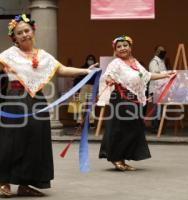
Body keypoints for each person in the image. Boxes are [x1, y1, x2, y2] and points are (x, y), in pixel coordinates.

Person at [0, 14, 98, 197]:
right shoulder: (9, 55)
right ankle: (3, 178)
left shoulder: (44, 56)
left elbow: (61, 70)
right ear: (14, 37)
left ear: (33, 31)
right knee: (9, 140)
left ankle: (26, 183)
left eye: (26, 31)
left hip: (37, 101)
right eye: (19, 33)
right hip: (14, 100)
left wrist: (86, 70)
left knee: (36, 141)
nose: (24, 35)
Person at [98, 36, 175, 171]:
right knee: (120, 129)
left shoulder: (135, 62)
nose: (122, 48)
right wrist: (110, 79)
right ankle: (116, 158)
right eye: (119, 46)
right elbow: (108, 75)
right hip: (121, 100)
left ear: (130, 47)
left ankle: (122, 158)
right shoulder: (115, 63)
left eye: (125, 45)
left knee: (133, 130)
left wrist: (166, 74)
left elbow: (147, 76)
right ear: (115, 50)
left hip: (133, 100)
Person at [70, 54, 97, 127]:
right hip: (83, 87)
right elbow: (78, 79)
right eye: (89, 59)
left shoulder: (96, 70)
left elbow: (98, 81)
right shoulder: (83, 68)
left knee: (92, 105)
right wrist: (76, 90)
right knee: (82, 104)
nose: (90, 61)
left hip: (92, 87)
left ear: (94, 61)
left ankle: (91, 122)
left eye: (92, 59)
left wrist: (97, 90)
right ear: (86, 60)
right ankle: (79, 122)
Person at [148, 45, 167, 133]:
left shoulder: (162, 62)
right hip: (155, 89)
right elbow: (154, 74)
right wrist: (166, 73)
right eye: (160, 51)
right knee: (157, 109)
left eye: (163, 50)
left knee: (160, 109)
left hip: (162, 89)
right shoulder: (154, 62)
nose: (162, 52)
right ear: (156, 52)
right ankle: (154, 127)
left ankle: (158, 127)